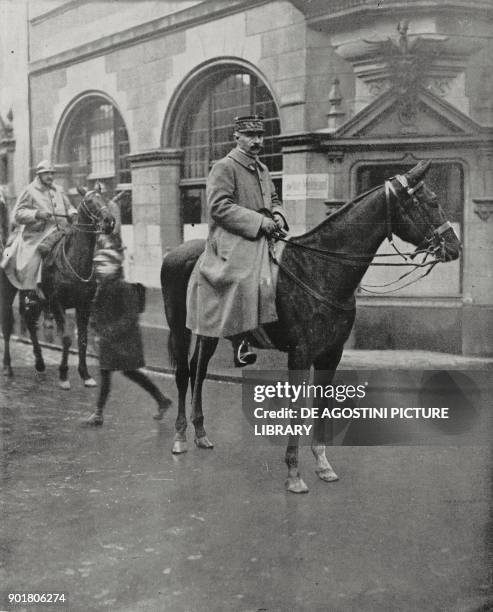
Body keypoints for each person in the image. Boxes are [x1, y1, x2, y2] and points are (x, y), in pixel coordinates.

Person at [186, 115, 288, 366]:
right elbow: (219, 207)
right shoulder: (224, 166)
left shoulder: (262, 169)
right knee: (242, 276)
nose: (257, 141)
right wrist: (258, 221)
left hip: (265, 232)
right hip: (231, 236)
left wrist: (278, 215)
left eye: (260, 136)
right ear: (237, 137)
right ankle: (241, 340)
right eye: (251, 136)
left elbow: (274, 199)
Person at [85, 242, 172, 426]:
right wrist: (94, 327)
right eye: (97, 265)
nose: (98, 269)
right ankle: (161, 400)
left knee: (124, 373)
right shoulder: (102, 286)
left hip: (125, 340)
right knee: (117, 373)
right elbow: (97, 311)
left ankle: (99, 413)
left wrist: (108, 331)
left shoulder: (124, 288)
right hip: (111, 340)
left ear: (113, 266)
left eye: (102, 265)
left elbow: (130, 317)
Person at [0, 160, 77, 300]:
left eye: (52, 173)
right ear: (39, 175)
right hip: (38, 234)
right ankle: (33, 290)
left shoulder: (58, 189)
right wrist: (36, 214)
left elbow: (69, 206)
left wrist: (72, 212)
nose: (50, 176)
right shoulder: (29, 191)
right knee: (36, 255)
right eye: (46, 173)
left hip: (62, 231)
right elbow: (17, 214)